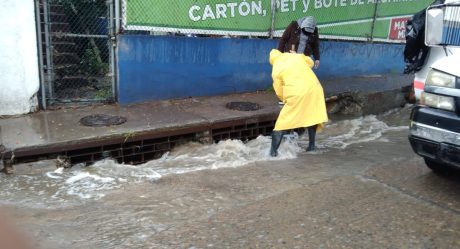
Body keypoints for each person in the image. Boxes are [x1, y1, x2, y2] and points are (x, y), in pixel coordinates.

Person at [269, 49, 328, 156]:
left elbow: (278, 89)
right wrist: (297, 55)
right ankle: (311, 146)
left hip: (297, 93)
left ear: (272, 60)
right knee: (312, 116)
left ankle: (272, 154)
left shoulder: (276, 67)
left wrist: (285, 100)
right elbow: (310, 62)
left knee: (281, 124)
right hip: (315, 89)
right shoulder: (296, 56)